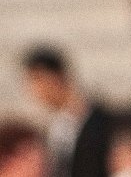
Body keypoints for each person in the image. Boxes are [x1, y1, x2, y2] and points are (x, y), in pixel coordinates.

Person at [22, 46, 114, 177]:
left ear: (56, 77)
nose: (36, 91)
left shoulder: (102, 123)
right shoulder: (54, 127)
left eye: (38, 81)